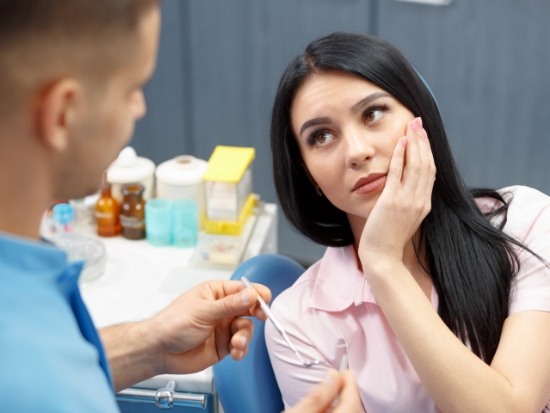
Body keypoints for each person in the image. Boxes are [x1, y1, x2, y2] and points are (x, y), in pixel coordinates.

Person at [0, 2, 359, 412]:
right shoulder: (28, 374)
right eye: (132, 89)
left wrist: (149, 345)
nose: (140, 109)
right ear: (64, 114)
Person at [266, 31, 550, 413]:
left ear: (421, 117)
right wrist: (382, 261)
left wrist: (383, 261)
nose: (357, 152)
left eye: (373, 113)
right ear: (308, 175)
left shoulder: (525, 222)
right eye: (321, 136)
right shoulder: (298, 325)